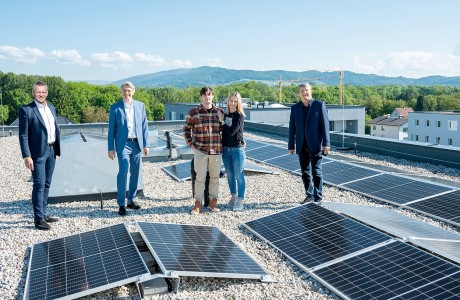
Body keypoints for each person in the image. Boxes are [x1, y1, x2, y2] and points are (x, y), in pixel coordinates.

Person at [19, 81, 61, 230]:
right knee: (39, 185)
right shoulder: (26, 110)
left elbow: (55, 130)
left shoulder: (52, 109)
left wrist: (56, 150)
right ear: (33, 93)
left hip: (51, 152)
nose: (41, 94)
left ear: (47, 93)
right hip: (37, 154)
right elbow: (23, 135)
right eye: (38, 92)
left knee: (47, 184)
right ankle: (38, 220)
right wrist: (26, 156)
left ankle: (43, 213)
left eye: (43, 92)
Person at [108, 81, 150, 216]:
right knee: (123, 171)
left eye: (129, 90)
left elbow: (144, 126)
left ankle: (131, 200)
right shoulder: (115, 108)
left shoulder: (140, 106)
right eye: (125, 90)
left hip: (137, 143)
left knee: (135, 172)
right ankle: (121, 203)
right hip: (123, 144)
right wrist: (110, 148)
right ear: (121, 92)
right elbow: (111, 130)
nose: (127, 93)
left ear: (133, 91)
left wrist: (146, 144)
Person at [183, 86, 223, 215]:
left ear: (213, 96)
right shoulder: (194, 112)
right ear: (201, 96)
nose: (208, 97)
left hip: (216, 151)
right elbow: (186, 129)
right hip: (200, 151)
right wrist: (191, 145)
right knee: (200, 178)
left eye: (210, 94)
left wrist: (222, 120)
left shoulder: (219, 112)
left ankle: (213, 203)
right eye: (205, 94)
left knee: (215, 178)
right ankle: (197, 204)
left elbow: (225, 130)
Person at [288, 83, 330, 203]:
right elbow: (292, 128)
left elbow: (325, 126)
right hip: (301, 145)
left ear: (310, 91)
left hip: (315, 144)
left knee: (317, 171)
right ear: (299, 93)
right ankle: (309, 195)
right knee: (305, 172)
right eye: (302, 91)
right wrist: (291, 145)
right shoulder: (295, 108)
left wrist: (326, 143)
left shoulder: (319, 105)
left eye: (306, 90)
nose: (304, 93)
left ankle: (318, 197)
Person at [221, 92, 246, 211]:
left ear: (238, 103)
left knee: (239, 176)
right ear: (228, 101)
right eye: (231, 100)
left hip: (237, 150)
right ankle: (233, 197)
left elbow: (231, 131)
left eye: (235, 101)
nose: (232, 103)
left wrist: (222, 122)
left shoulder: (239, 116)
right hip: (226, 150)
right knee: (230, 176)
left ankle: (240, 201)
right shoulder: (225, 115)